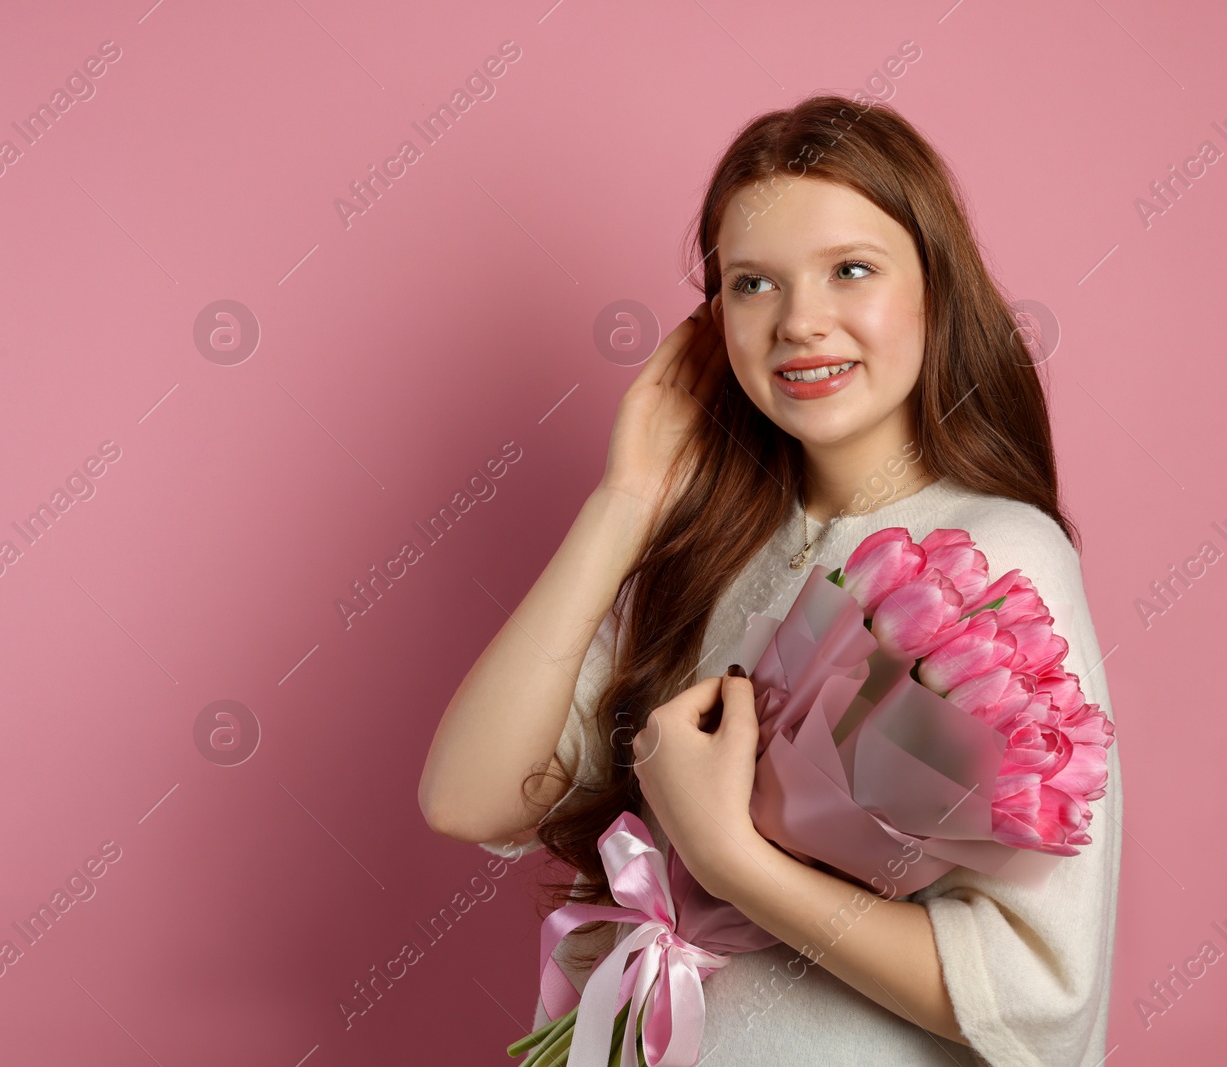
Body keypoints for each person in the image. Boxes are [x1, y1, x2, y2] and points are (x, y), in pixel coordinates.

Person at [417, 93, 1121, 1065]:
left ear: (935, 289)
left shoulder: (993, 557)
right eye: (752, 283)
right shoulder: (708, 551)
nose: (798, 321)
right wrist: (624, 499)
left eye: (850, 270)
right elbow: (468, 796)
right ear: (711, 323)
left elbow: (1039, 989)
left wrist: (727, 859)